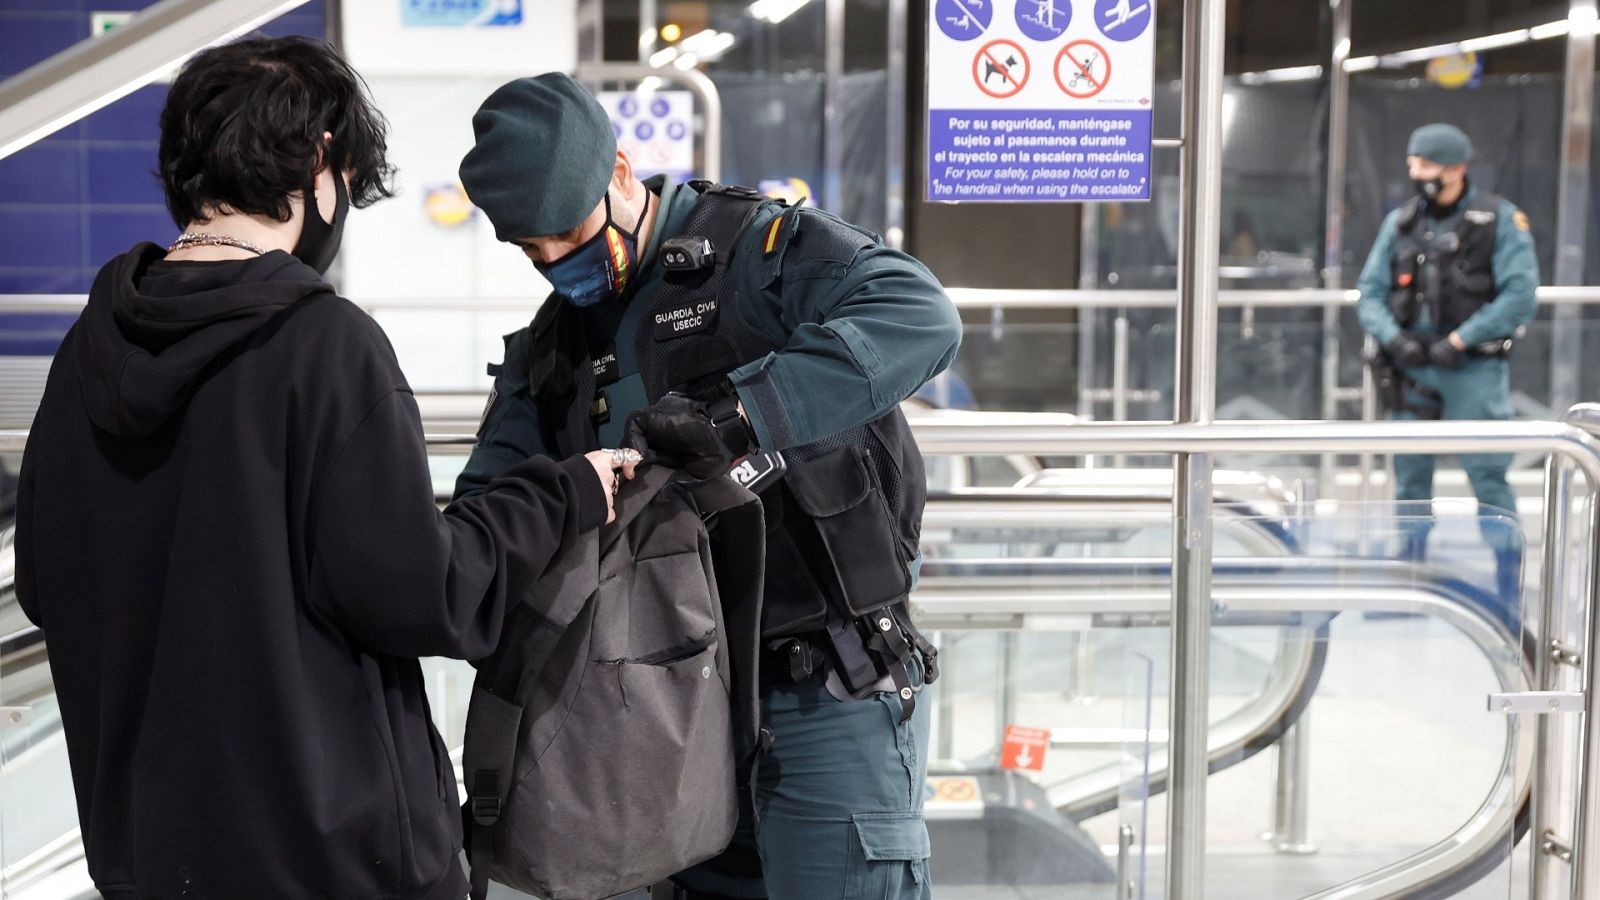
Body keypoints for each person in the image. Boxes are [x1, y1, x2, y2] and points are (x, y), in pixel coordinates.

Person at [14, 38, 639, 900]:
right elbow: (425, 595)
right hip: (341, 869)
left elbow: (46, 583)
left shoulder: (88, 352)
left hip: (153, 863)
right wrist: (562, 492)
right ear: (318, 166)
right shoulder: (322, 346)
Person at [454, 74, 961, 899]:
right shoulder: (554, 349)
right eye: (530, 251)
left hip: (824, 690)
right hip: (669, 717)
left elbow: (919, 317)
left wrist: (743, 413)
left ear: (620, 171)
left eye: (567, 234)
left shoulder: (758, 254)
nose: (555, 264)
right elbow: (486, 515)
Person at [1356, 122, 1539, 613]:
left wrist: (1461, 339)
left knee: (1488, 476)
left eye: (1427, 165)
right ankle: (1409, 582)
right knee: (1411, 479)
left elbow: (1521, 295)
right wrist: (1397, 340)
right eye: (1413, 164)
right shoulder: (1400, 223)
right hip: (1412, 368)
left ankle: (1507, 593)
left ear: (1457, 169)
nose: (1417, 174)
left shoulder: (1499, 220)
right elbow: (1370, 293)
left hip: (1472, 371)